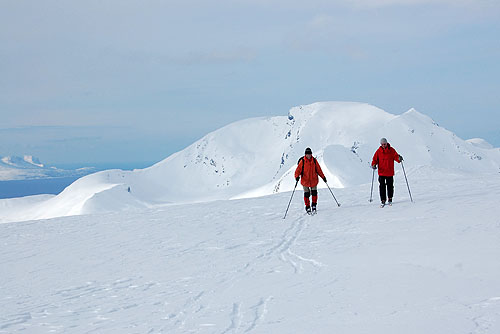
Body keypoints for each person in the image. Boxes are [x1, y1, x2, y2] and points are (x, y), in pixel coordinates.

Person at [371, 138, 403, 206]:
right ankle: (383, 200)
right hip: (381, 172)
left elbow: (396, 157)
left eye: (384, 144)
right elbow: (375, 159)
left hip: (389, 172)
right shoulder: (378, 151)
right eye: (382, 144)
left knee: (390, 186)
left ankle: (390, 198)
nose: (383, 145)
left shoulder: (391, 150)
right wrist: (374, 164)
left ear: (386, 143)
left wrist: (399, 158)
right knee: (382, 186)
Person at [294, 147, 327, 214]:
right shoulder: (302, 162)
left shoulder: (314, 161)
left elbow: (319, 170)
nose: (308, 155)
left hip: (313, 180)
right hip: (305, 181)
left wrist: (323, 177)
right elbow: (298, 171)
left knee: (314, 193)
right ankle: (307, 206)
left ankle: (314, 205)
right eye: (307, 154)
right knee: (306, 194)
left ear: (311, 154)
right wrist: (297, 177)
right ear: (305, 154)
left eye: (310, 154)